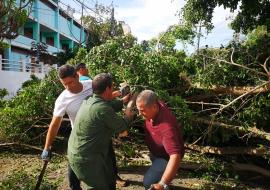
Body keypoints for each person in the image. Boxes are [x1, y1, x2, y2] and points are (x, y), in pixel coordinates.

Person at [68, 73, 134, 190]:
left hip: (78, 154)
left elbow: (109, 105)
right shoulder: (102, 109)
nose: (114, 89)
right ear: (108, 88)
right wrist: (129, 109)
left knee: (109, 179)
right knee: (99, 186)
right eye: (112, 87)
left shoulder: (89, 100)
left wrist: (123, 101)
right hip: (86, 160)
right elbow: (122, 127)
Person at [41, 64, 93, 190]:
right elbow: (54, 124)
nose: (68, 87)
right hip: (79, 137)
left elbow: (107, 95)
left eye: (70, 82)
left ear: (77, 76)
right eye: (65, 84)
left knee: (107, 167)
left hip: (99, 134)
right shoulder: (62, 99)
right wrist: (47, 147)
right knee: (73, 175)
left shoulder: (92, 85)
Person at [136, 90, 185, 190]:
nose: (139, 114)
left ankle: (164, 183)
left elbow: (175, 156)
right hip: (157, 152)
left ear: (154, 107)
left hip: (165, 157)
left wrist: (162, 184)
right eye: (138, 110)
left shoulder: (166, 126)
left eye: (142, 110)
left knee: (148, 183)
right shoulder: (156, 105)